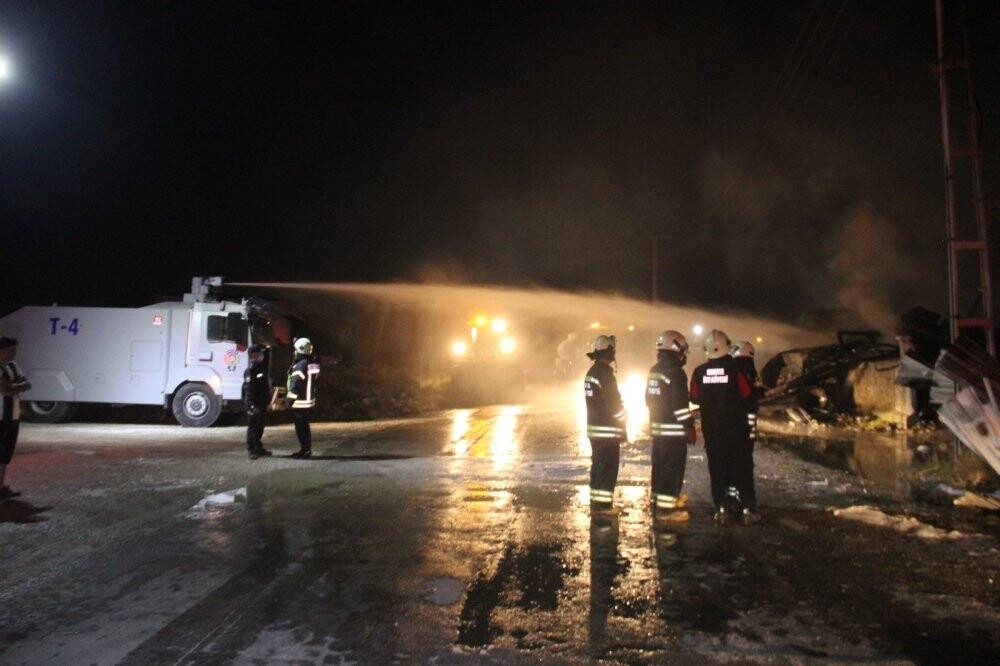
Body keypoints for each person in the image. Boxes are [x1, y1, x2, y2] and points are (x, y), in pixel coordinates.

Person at [690, 330, 759, 524]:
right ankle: (748, 510)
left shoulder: (699, 372)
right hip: (736, 431)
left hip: (712, 432)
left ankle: (721, 509)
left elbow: (694, 397)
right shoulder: (735, 370)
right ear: (727, 346)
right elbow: (747, 395)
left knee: (718, 471)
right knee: (742, 470)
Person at [645, 330, 695, 522]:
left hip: (658, 430)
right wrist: (689, 426)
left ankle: (657, 503)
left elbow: (648, 399)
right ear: (675, 348)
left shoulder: (654, 370)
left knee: (659, 468)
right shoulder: (677, 373)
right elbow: (680, 407)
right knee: (672, 470)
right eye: (682, 350)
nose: (684, 354)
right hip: (673, 433)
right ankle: (666, 511)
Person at [584, 334, 626, 512]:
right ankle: (603, 506)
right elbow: (613, 403)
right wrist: (623, 419)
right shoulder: (605, 374)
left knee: (598, 466)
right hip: (608, 430)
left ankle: (596, 502)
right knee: (607, 468)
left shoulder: (592, 372)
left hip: (595, 428)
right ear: (608, 351)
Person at [0, 337, 31, 500]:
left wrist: (13, 386)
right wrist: (16, 386)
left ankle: (1, 486)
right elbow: (5, 390)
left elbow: (26, 383)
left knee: (6, 453)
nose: (14, 354)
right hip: (1, 416)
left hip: (12, 416)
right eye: (11, 350)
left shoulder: (12, 366)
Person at [286, 337, 320, 459]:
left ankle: (305, 450)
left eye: (295, 350)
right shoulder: (312, 363)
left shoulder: (300, 365)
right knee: (305, 426)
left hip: (300, 402)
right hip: (308, 400)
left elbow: (296, 385)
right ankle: (306, 449)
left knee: (301, 428)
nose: (294, 352)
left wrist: (289, 400)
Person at [243, 344, 273, 460]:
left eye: (261, 353)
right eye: (259, 353)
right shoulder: (250, 370)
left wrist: (267, 401)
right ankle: (251, 450)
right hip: (254, 404)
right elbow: (249, 390)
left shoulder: (260, 367)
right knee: (253, 427)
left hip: (261, 403)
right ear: (253, 355)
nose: (261, 355)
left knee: (260, 427)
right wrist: (252, 406)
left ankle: (258, 448)